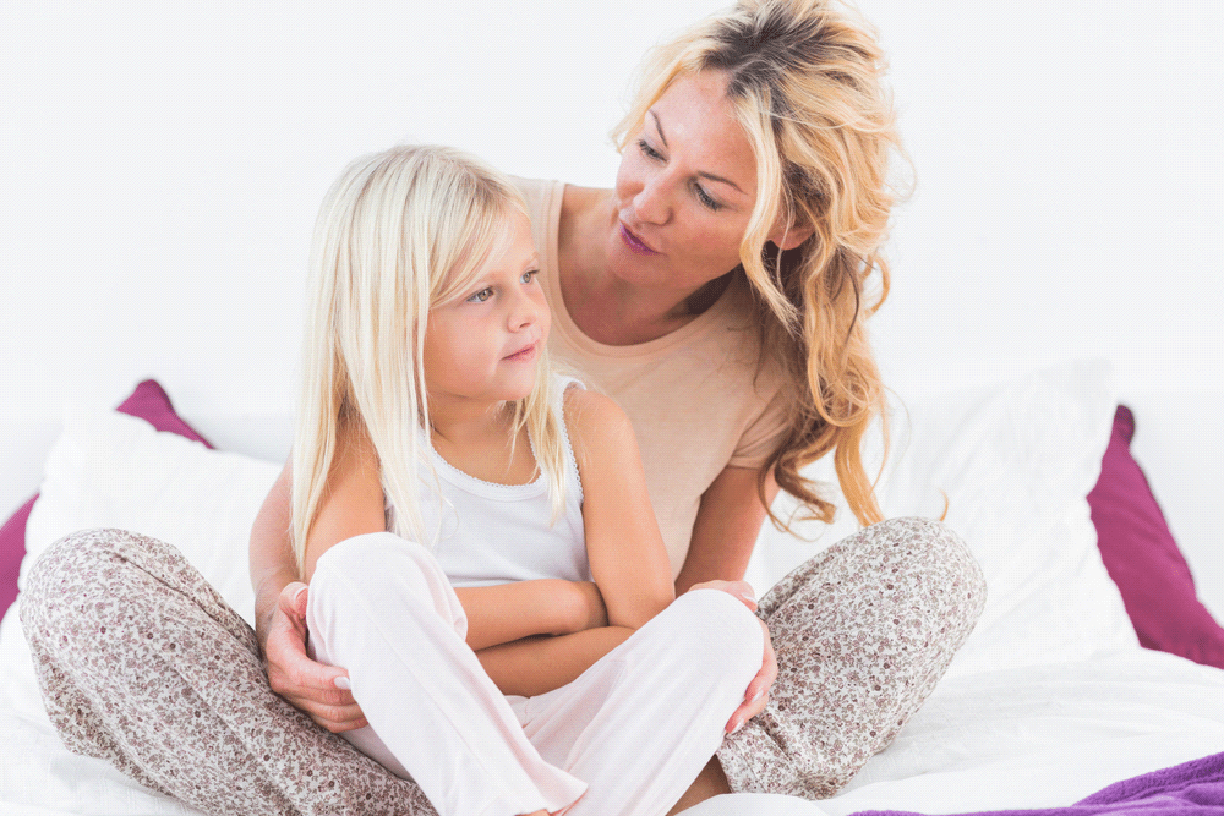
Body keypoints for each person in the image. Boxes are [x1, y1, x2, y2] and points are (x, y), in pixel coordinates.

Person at [21, 0, 985, 813]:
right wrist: (285, 622)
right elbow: (328, 562)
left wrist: (704, 647)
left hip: (586, 698)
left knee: (903, 582)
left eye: (704, 193)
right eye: (648, 148)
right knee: (84, 584)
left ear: (785, 223)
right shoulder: (467, 227)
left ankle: (512, 791)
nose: (644, 202)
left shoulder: (731, 379)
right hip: (371, 710)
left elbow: (662, 629)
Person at [294, 142, 772, 816]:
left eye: (529, 276)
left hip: (569, 721)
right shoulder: (361, 439)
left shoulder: (586, 424)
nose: (526, 312)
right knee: (358, 572)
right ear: (391, 321)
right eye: (482, 293)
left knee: (724, 626)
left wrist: (449, 658)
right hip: (422, 743)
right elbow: (352, 643)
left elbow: (641, 634)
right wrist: (566, 605)